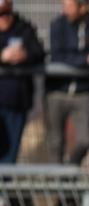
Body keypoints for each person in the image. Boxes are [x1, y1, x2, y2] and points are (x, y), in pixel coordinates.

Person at [46, 0, 89, 166]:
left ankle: (70, 170)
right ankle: (57, 179)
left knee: (85, 140)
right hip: (57, 90)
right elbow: (58, 57)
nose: (65, 10)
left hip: (83, 91)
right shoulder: (58, 25)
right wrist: (86, 59)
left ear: (83, 7)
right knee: (55, 143)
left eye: (69, 6)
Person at [0, 0, 44, 164]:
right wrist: (2, 56)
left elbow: (39, 52)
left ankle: (5, 181)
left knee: (9, 156)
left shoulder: (24, 29)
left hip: (17, 102)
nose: (3, 19)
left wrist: (24, 55)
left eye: (6, 14)